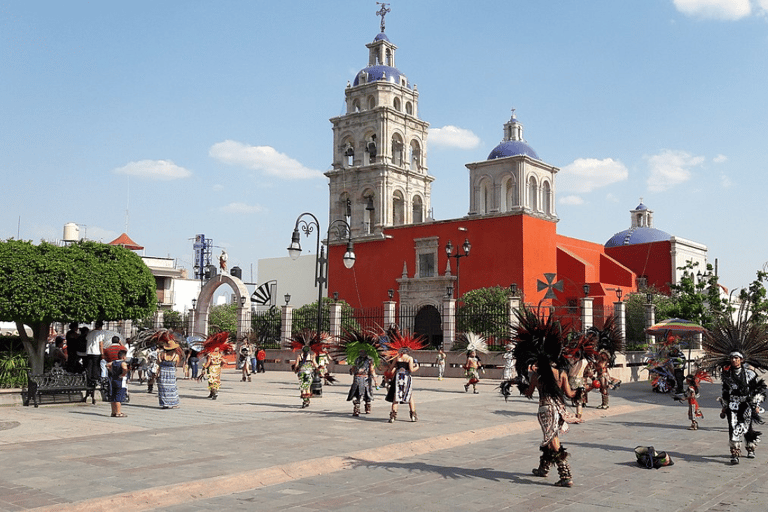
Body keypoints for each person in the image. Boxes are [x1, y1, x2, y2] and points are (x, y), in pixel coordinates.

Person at [513, 306, 577, 487]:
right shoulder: (562, 374)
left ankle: (565, 475)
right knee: (551, 437)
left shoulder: (537, 375)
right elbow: (570, 394)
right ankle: (543, 468)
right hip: (559, 409)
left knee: (552, 440)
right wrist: (583, 391)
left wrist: (519, 384)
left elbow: (528, 393)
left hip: (546, 409)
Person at [385, 347, 419, 422]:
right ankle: (413, 415)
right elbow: (411, 370)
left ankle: (393, 416)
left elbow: (391, 368)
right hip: (406, 378)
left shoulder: (397, 358)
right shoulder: (409, 358)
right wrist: (417, 366)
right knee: (409, 396)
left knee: (396, 397)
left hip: (398, 378)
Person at [199, 332, 232, 400]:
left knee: (211, 381)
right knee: (216, 380)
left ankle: (214, 392)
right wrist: (222, 365)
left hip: (211, 368)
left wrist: (204, 367)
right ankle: (213, 392)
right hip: (217, 368)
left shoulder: (210, 355)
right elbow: (224, 362)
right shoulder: (219, 355)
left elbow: (208, 363)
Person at [156, 335, 181, 409]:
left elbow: (158, 363)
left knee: (163, 388)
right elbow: (176, 365)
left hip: (163, 373)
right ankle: (173, 403)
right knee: (172, 388)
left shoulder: (161, 355)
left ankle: (165, 403)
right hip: (171, 374)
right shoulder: (176, 356)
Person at [84, 322, 106, 402]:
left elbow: (87, 340)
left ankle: (89, 377)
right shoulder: (100, 333)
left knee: (89, 366)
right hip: (96, 352)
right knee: (96, 366)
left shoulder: (90, 333)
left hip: (89, 352)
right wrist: (102, 353)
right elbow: (101, 344)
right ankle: (95, 378)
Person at [109, 349, 129, 418]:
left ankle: (113, 412)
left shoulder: (114, 362)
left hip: (114, 379)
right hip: (120, 380)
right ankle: (118, 412)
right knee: (118, 397)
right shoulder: (123, 363)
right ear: (123, 357)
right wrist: (124, 373)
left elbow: (107, 365)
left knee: (113, 396)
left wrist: (111, 370)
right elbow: (124, 368)